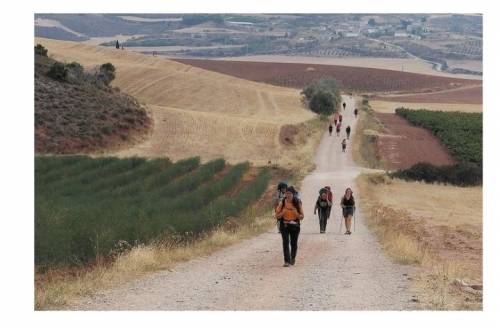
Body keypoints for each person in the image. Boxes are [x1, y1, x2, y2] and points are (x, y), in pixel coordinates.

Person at [275, 187, 304, 267]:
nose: (288, 195)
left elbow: (302, 217)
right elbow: (277, 216)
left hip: (295, 225)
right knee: (285, 242)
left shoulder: (297, 202)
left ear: (293, 194)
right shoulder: (282, 203)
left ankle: (292, 258)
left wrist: (296, 213)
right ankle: (286, 261)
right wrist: (283, 213)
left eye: (290, 193)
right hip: (284, 225)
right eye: (287, 193)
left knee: (293, 243)